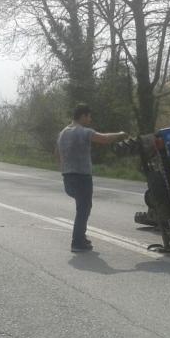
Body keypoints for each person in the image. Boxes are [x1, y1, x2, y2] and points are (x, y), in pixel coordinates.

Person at [56, 104, 126, 252]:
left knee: (82, 207)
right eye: (89, 117)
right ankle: (77, 242)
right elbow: (104, 139)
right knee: (83, 209)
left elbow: (59, 155)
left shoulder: (63, 133)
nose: (90, 119)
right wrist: (120, 134)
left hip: (67, 176)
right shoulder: (83, 131)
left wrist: (64, 172)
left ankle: (81, 237)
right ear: (82, 116)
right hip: (82, 177)